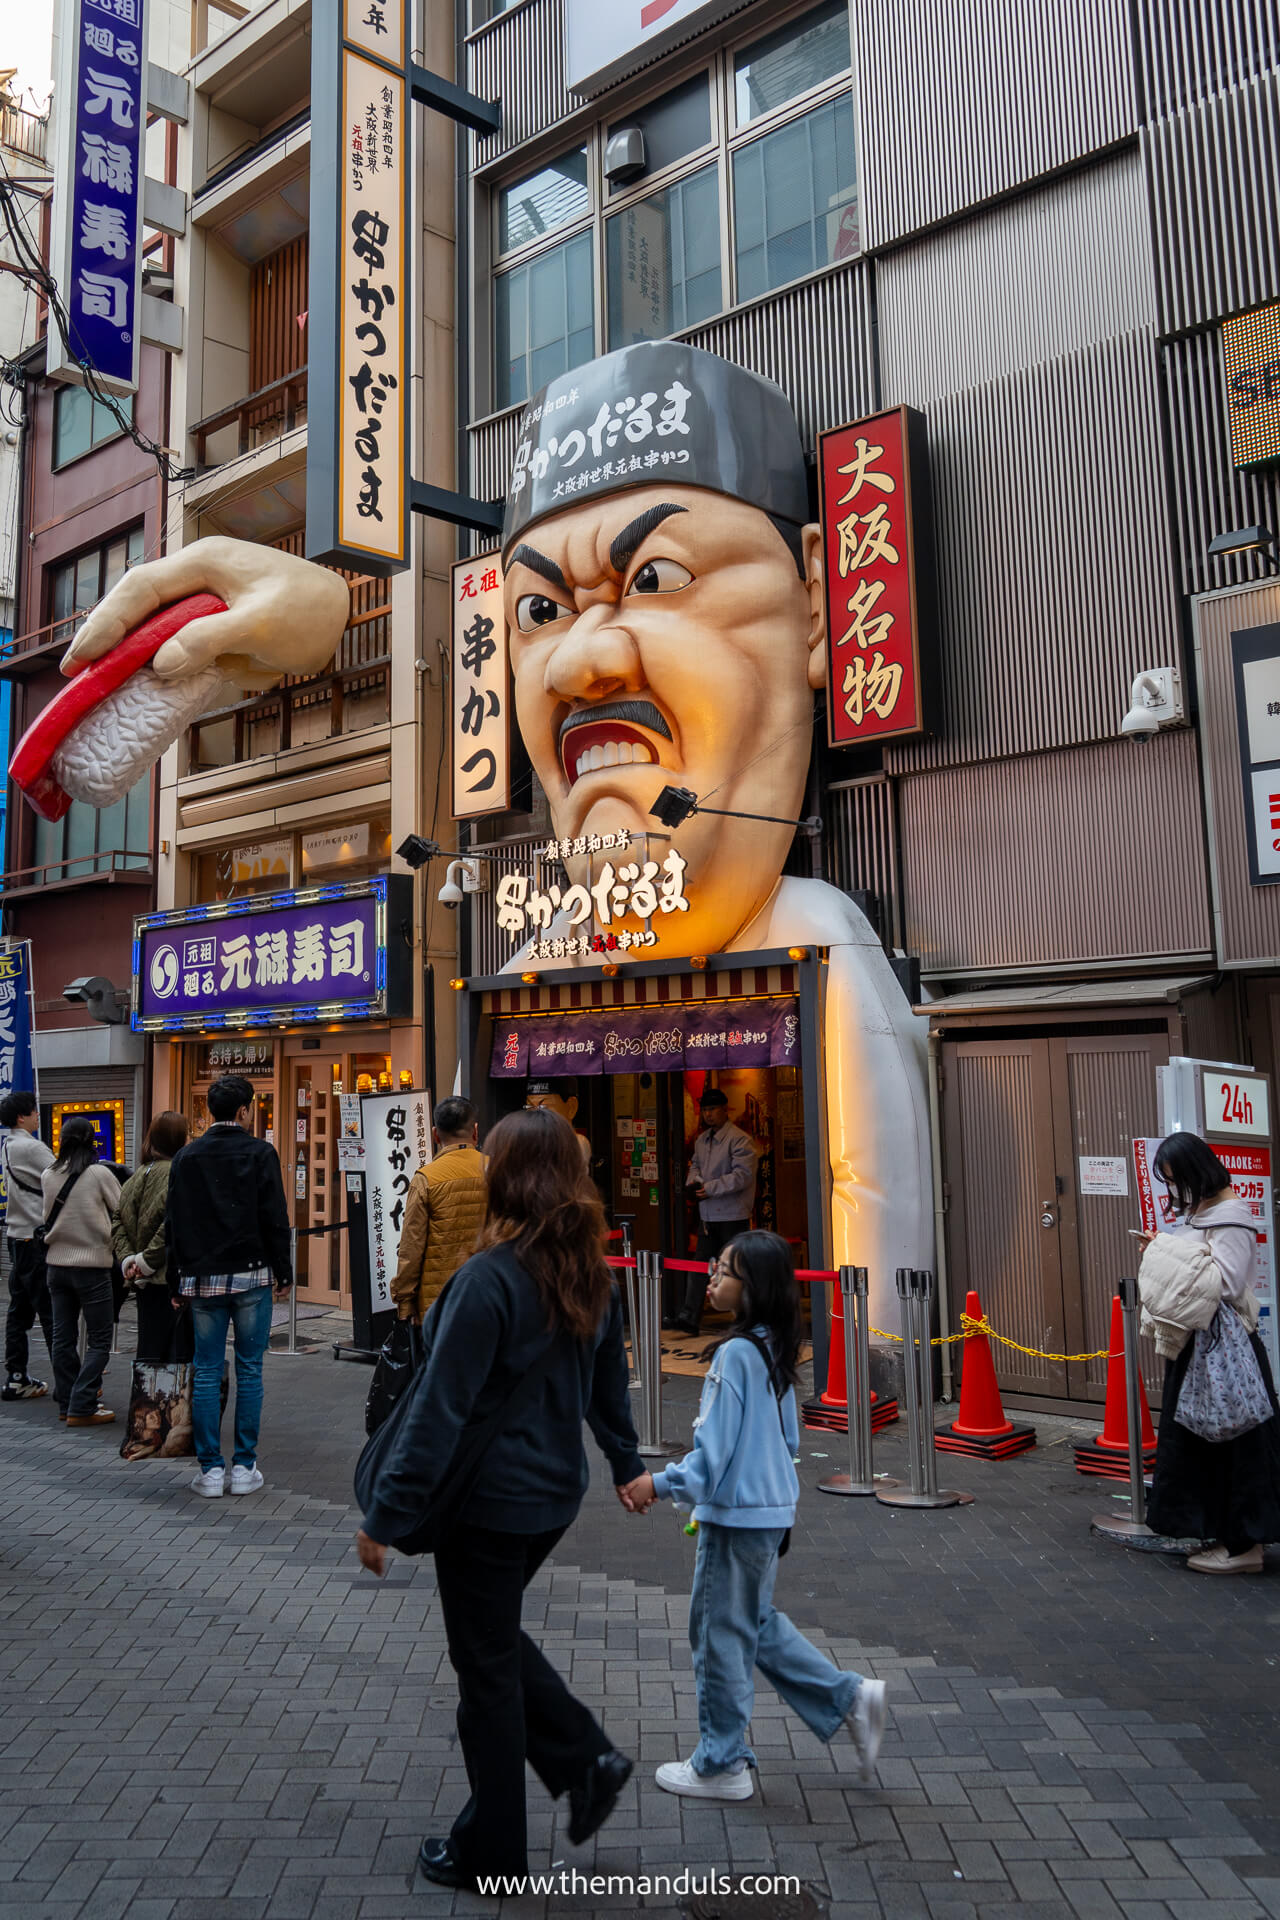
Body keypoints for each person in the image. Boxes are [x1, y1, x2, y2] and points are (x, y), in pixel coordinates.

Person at [62, 342, 935, 1334]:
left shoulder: (815, 940)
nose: (584, 658)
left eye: (655, 576)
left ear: (818, 605)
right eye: (537, 610)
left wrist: (878, 1351)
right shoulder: (534, 975)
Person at [356, 1106, 645, 1891]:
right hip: (553, 1498)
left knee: (484, 1667)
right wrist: (625, 1462)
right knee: (491, 1643)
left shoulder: (485, 1281)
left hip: (487, 1505)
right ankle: (584, 1762)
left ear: (506, 1177)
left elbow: (437, 1410)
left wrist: (384, 1514)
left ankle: (497, 1849)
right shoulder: (589, 1272)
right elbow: (608, 1390)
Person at [622, 1231, 887, 1795]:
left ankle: (722, 1764)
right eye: (715, 1267)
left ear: (754, 1288)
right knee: (750, 1623)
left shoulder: (736, 1353)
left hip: (737, 1515)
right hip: (769, 1511)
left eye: (724, 1271)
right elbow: (788, 1436)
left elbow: (711, 1457)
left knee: (718, 1631)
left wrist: (658, 1483)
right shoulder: (772, 1346)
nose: (712, 1278)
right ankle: (848, 1698)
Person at [1144, 1131, 1280, 1574]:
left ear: (1196, 1171)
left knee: (1236, 1444)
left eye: (1177, 1178)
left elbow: (1226, 1282)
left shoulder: (1232, 1214)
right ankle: (1224, 1536)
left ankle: (1245, 1546)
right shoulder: (1204, 1210)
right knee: (1208, 1443)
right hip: (1201, 1347)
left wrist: (1164, 1255)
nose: (1174, 1190)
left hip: (1227, 1351)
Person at [165, 1073, 292, 1498]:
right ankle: (244, 1466)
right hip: (252, 1273)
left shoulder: (187, 1156)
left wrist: (174, 1278)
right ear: (244, 1110)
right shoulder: (260, 1153)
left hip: (200, 1277)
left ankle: (210, 1469)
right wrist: (284, 1270)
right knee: (250, 1368)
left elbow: (175, 1223)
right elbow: (275, 1215)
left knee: (205, 1370)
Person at [42, 1117, 121, 1426]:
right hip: (92, 1267)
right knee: (100, 1339)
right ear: (92, 1142)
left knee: (63, 1337)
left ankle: (66, 1401)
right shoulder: (99, 1174)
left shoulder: (48, 1174)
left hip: (56, 1266)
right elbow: (122, 1209)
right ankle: (82, 1403)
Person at [389, 1096, 487, 1324]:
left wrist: (404, 1301)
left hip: (439, 1304)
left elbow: (411, 1247)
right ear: (475, 1131)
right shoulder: (497, 1169)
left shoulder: (426, 1179)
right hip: (490, 1296)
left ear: (435, 1134)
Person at [673, 1087, 759, 1334]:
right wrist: (693, 1181)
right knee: (700, 1265)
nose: (708, 1115)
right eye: (705, 1110)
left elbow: (743, 1176)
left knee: (736, 1268)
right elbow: (695, 1167)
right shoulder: (702, 1140)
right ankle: (689, 1317)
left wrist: (709, 1187)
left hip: (733, 1215)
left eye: (712, 1110)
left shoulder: (740, 1139)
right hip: (708, 1215)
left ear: (724, 1110)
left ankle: (745, 1317)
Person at [113, 1111, 189, 1363]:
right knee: (173, 1353)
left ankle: (145, 1401)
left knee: (148, 1347)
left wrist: (129, 1260)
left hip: (139, 1278)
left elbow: (117, 1221)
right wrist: (147, 1261)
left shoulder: (136, 1175)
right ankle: (165, 1403)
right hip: (166, 1275)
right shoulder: (176, 1173)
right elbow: (172, 1224)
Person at [0, 1090, 54, 1400]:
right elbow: (62, 1178)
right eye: (34, 1112)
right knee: (50, 1311)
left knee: (19, 1311)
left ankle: (16, 1376)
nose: (37, 1116)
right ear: (22, 1117)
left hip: (16, 1237)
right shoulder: (33, 1148)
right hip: (35, 1238)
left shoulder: (8, 1145)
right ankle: (68, 1381)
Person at [525, 1078, 591, 1164]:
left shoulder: (578, 1144)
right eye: (530, 1107)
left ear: (571, 1107)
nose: (536, 1114)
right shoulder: (524, 1146)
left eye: (544, 1107)